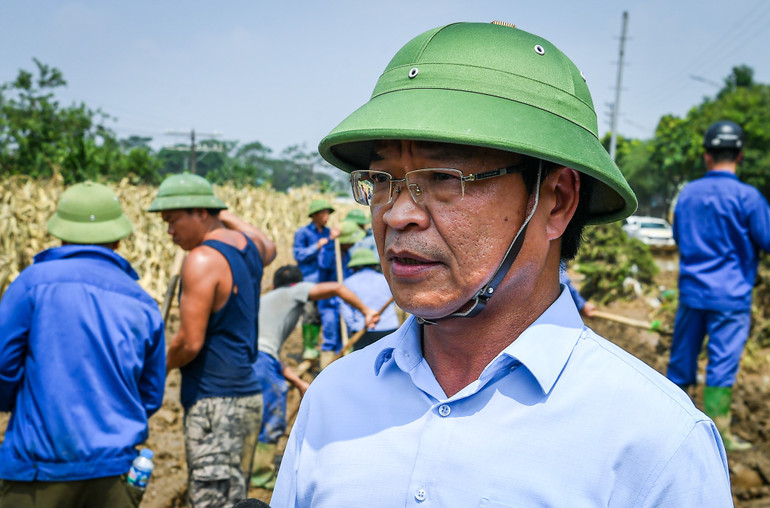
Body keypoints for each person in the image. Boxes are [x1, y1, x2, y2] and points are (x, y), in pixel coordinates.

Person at [273, 21, 733, 506]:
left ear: (555, 201)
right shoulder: (334, 400)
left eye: (445, 177)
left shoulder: (654, 442)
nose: (398, 213)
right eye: (383, 179)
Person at [0, 181, 165, 508]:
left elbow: (3, 366)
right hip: (114, 475)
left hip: (39, 470)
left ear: (60, 233)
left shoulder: (32, 284)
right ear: (118, 238)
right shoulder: (143, 302)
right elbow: (150, 393)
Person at [147, 173, 276, 507]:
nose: (170, 232)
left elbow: (189, 343)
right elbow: (269, 245)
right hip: (247, 397)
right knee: (233, 498)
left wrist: (154, 367)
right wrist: (224, 214)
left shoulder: (202, 259)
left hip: (213, 401)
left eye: (173, 221)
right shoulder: (249, 249)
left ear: (201, 213)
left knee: (211, 500)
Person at [667, 120, 770, 452]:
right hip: (731, 297)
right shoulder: (749, 197)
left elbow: (680, 237)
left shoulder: (689, 194)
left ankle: (669, 428)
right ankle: (720, 434)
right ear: (739, 156)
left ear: (707, 156)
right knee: (721, 365)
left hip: (693, 293)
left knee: (682, 360)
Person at [250, 264, 379, 490]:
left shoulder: (265, 302)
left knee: (256, 415)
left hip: (251, 360)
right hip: (261, 359)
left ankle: (252, 467)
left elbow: (269, 355)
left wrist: (299, 382)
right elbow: (338, 288)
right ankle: (260, 476)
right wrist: (366, 311)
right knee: (272, 414)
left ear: (272, 284)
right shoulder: (293, 291)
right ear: (297, 284)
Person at [316, 220, 365, 368]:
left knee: (343, 336)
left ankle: (342, 367)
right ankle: (325, 369)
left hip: (343, 302)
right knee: (330, 336)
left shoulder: (348, 254)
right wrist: (331, 243)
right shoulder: (329, 251)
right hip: (329, 302)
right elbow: (323, 264)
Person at [293, 199, 335, 360]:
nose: (327, 217)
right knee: (309, 312)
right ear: (315, 215)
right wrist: (316, 247)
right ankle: (308, 347)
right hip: (308, 280)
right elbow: (298, 255)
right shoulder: (303, 233)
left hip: (324, 280)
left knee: (320, 313)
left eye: (328, 214)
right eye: (324, 213)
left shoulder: (328, 233)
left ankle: (317, 345)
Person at [341, 248, 399, 351]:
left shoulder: (347, 283)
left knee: (363, 364)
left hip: (362, 330)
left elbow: (346, 312)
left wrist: (354, 326)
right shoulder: (386, 280)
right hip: (388, 328)